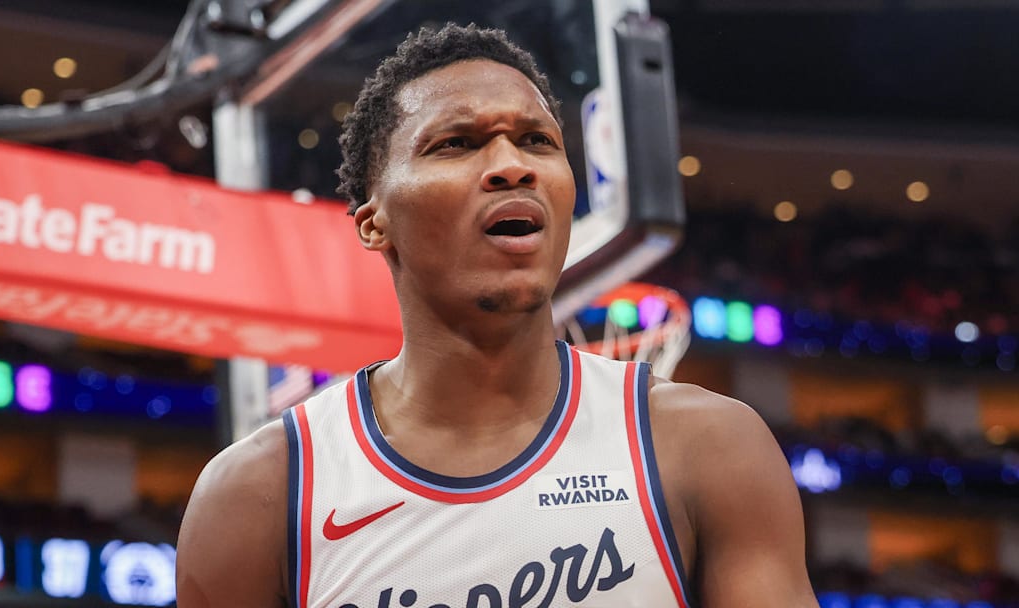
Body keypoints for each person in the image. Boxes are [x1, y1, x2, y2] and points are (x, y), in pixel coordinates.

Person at [177, 23, 818, 607]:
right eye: (456, 143)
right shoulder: (257, 495)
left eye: (537, 140)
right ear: (375, 224)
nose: (513, 166)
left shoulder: (708, 447)